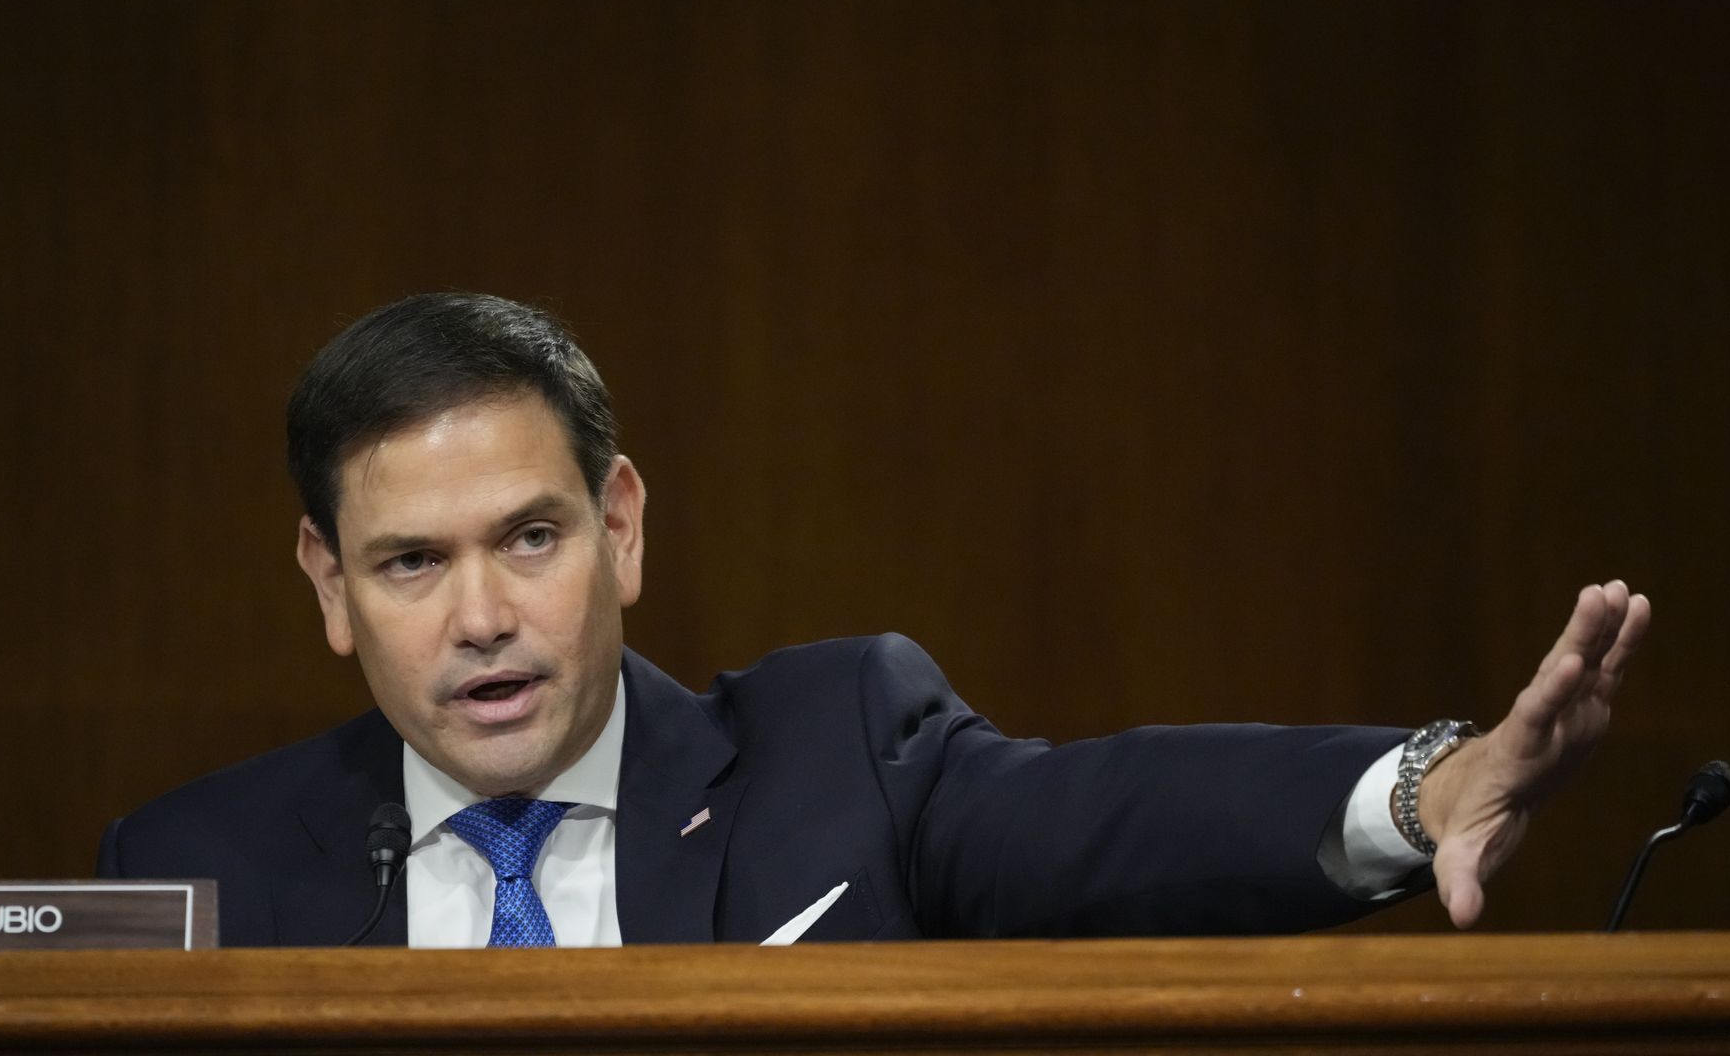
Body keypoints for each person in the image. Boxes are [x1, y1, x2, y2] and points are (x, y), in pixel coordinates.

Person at [98, 292, 1650, 947]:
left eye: (531, 537)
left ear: (621, 527)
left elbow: (1108, 814)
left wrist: (1426, 785)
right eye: (411, 565)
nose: (486, 618)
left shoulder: (835, 760)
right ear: (328, 584)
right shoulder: (198, 877)